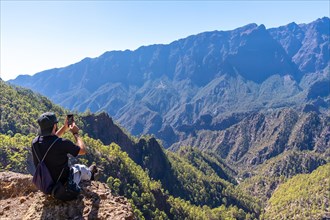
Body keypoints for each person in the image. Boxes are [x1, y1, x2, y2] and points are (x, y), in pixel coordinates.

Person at [31, 112, 99, 195]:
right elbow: (82, 150)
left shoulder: (35, 142)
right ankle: (90, 174)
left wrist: (64, 128)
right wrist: (75, 133)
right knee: (81, 168)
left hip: (45, 184)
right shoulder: (63, 143)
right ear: (55, 125)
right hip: (62, 185)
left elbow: (51, 140)